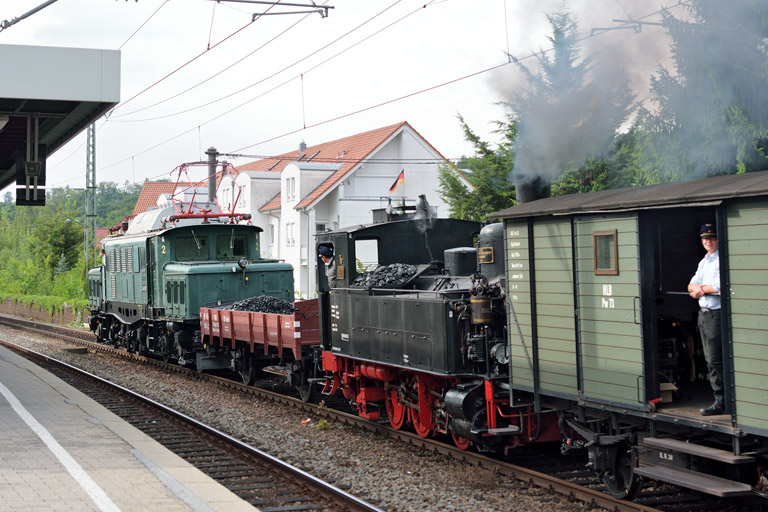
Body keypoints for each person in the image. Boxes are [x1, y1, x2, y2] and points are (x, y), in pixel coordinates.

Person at [687, 223, 724, 416]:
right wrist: (700, 288)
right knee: (709, 359)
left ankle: (723, 401)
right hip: (703, 314)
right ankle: (720, 399)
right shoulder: (704, 261)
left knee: (716, 359)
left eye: (711, 238)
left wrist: (700, 290)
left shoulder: (721, 259)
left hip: (716, 314)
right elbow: (690, 284)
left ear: (718, 239)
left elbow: (718, 286)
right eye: (705, 238)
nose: (708, 241)